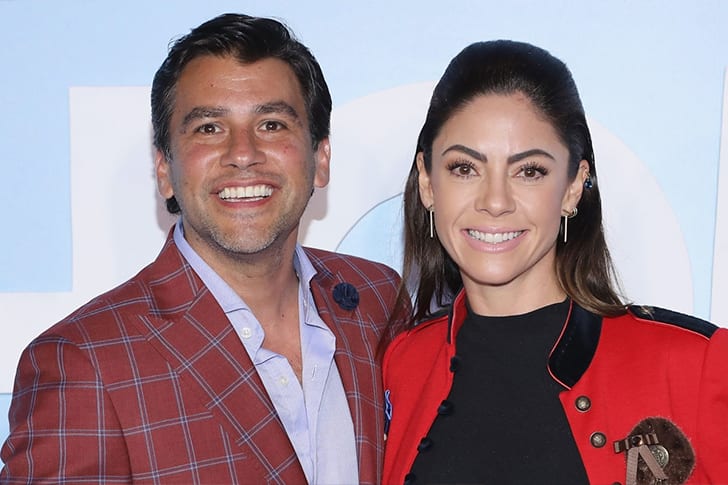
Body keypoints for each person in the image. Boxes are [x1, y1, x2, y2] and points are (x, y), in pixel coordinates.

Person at [1, 13, 402, 484]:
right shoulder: (83, 363)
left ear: (321, 158)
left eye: (272, 124)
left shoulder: (376, 300)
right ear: (164, 171)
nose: (243, 153)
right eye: (209, 128)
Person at [382, 40, 728, 485]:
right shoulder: (402, 364)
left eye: (529, 171)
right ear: (428, 183)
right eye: (465, 168)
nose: (495, 201)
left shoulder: (697, 365)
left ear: (572, 188)